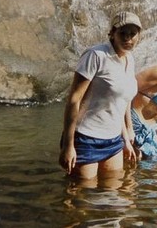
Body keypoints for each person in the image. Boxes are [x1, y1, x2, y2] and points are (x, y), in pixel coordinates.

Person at [59, 12, 140, 180]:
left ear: (139, 36)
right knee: (82, 197)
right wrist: (68, 145)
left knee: (114, 198)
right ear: (112, 33)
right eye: (123, 33)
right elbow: (74, 99)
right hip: (86, 138)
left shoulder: (130, 59)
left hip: (113, 140)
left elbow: (123, 101)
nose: (128, 38)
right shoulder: (96, 55)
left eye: (132, 34)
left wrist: (126, 137)